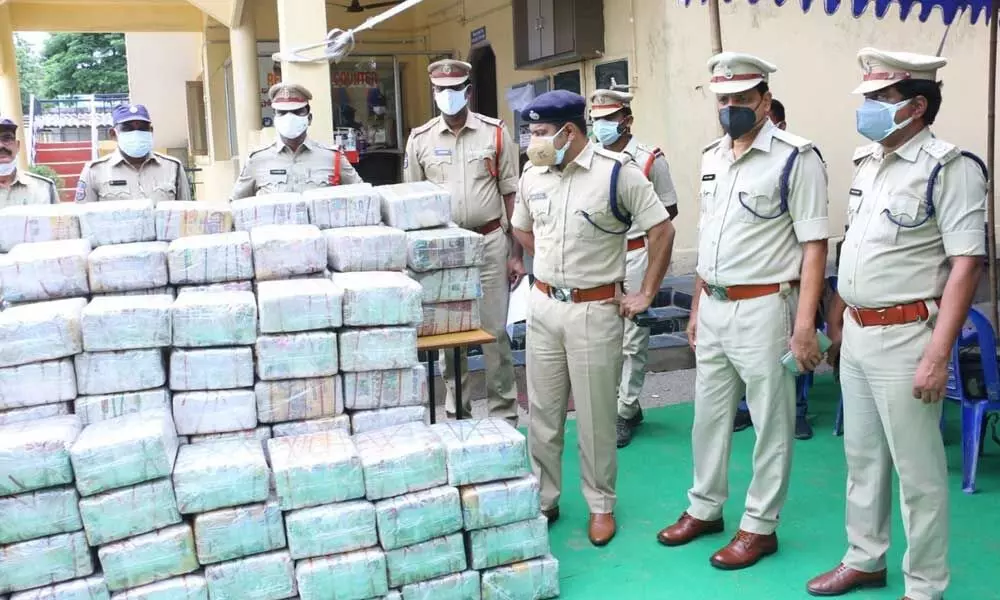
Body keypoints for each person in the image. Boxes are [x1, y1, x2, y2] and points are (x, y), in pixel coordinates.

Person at [806, 48, 984, 600]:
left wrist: (937, 353)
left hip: (909, 335)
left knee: (918, 471)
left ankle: (925, 584)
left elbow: (965, 265)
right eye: (870, 99)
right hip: (858, 333)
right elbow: (853, 251)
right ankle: (865, 558)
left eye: (882, 99)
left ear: (918, 106)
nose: (870, 109)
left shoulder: (949, 168)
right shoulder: (869, 162)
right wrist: (837, 320)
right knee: (861, 457)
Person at [656, 52, 829, 570]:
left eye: (741, 99)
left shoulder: (798, 158)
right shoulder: (714, 157)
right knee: (707, 416)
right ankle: (705, 507)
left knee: (770, 421)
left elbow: (815, 245)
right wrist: (696, 304)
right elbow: (711, 235)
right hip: (714, 306)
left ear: (764, 101)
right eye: (723, 99)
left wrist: (804, 326)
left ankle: (760, 525)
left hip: (765, 307)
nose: (730, 108)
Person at [511, 90, 675, 546]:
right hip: (543, 306)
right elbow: (521, 226)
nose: (534, 141)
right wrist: (548, 266)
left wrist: (646, 292)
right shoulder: (533, 175)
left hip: (595, 308)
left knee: (596, 417)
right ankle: (545, 497)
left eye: (542, 133)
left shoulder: (615, 175)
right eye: (531, 132)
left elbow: (662, 228)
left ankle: (600, 504)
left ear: (570, 131)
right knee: (542, 413)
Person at [403, 59, 522, 425]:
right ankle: (458, 415)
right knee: (449, 338)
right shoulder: (420, 139)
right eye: (442, 90)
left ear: (468, 93)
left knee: (495, 334)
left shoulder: (495, 134)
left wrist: (516, 254)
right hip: (443, 252)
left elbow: (512, 196)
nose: (448, 96)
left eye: (455, 90)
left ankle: (504, 417)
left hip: (488, 244)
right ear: (434, 93)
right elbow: (411, 202)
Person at [588, 89, 679, 448]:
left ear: (626, 119)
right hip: (598, 256)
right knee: (600, 333)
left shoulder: (648, 160)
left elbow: (667, 212)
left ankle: (624, 410)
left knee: (632, 337)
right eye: (596, 119)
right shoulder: (588, 157)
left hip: (636, 252)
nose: (602, 126)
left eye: (609, 119)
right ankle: (616, 402)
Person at [732, 96, 815, 440]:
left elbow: (812, 238)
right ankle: (743, 408)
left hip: (783, 285)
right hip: (735, 288)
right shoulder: (721, 159)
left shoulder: (797, 161)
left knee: (790, 356)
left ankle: (797, 410)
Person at [231, 83, 362, 200]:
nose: (289, 118)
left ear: (309, 118)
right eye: (282, 112)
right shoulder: (257, 160)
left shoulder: (333, 158)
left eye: (296, 112)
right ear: (275, 119)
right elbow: (235, 205)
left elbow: (363, 196)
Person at [75, 104, 191, 204]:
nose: (136, 133)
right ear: (113, 134)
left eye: (142, 128)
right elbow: (83, 217)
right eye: (128, 128)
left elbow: (186, 214)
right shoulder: (95, 171)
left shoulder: (173, 167)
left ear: (151, 131)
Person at [0, 117, 58, 207]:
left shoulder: (43, 187)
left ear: (17, 146)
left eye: (7, 138)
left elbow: (57, 220)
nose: (1, 145)